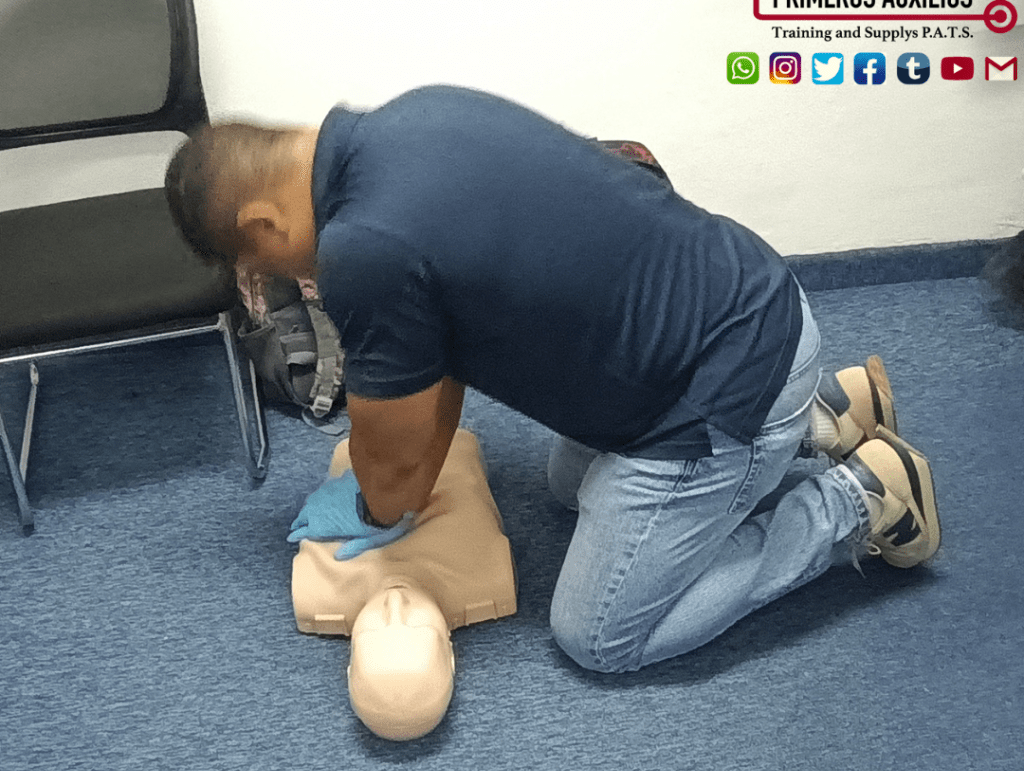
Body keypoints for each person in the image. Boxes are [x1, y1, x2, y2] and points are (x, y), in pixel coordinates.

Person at [165, 84, 940, 674]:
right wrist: (397, 484)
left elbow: (394, 471)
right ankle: (823, 414)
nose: (291, 280)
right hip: (754, 300)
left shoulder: (361, 250)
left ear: (262, 223)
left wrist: (378, 502)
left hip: (721, 391)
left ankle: (863, 496)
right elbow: (436, 366)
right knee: (567, 488)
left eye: (267, 265)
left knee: (600, 635)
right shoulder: (417, 114)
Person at [291, 428, 516, 740]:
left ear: (349, 662)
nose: (395, 604)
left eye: (378, 626)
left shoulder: (317, 587)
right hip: (449, 437)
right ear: (451, 657)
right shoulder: (488, 573)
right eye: (415, 624)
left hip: (366, 440)